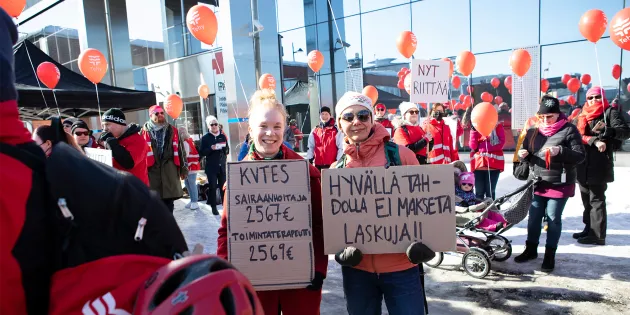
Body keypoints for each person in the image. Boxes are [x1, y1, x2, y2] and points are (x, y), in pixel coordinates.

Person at [217, 90, 328, 315]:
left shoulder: (306, 174)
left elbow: (320, 225)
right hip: (254, 282)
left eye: (277, 126)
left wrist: (317, 268)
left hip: (300, 281)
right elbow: (226, 232)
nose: (270, 133)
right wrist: (226, 273)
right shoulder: (238, 179)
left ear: (284, 129)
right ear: (250, 129)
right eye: (263, 126)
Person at [331, 92, 431, 315]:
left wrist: (429, 240)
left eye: (363, 115)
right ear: (339, 123)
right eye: (348, 117)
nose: (356, 121)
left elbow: (426, 205)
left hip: (402, 268)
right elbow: (332, 219)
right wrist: (337, 246)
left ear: (372, 119)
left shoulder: (402, 156)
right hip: (358, 271)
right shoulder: (336, 170)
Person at [514, 95, 585, 272]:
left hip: (559, 184)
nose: (546, 120)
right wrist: (525, 155)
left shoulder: (570, 130)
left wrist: (561, 151)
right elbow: (531, 157)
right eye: (543, 117)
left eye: (550, 117)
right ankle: (530, 250)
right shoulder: (533, 131)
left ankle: (549, 255)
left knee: (553, 219)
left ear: (558, 114)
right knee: (534, 218)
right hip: (537, 183)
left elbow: (580, 156)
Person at [572, 87, 630, 245]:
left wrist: (608, 130)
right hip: (582, 162)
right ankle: (588, 228)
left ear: (602, 97)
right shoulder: (581, 114)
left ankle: (597, 235)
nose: (593, 100)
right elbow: (575, 134)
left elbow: (625, 132)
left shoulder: (610, 112)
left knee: (596, 199)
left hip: (599, 162)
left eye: (597, 97)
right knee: (586, 198)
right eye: (590, 98)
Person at [142, 105, 188, 212]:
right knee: (154, 202)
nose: (160, 115)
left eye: (162, 113)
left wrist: (184, 168)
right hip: (152, 171)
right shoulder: (143, 131)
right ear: (150, 115)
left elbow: (181, 151)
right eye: (157, 113)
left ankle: (169, 226)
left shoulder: (173, 130)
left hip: (169, 170)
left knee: (168, 202)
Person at [99, 108, 150, 185]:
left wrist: (112, 144)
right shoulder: (116, 139)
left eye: (107, 124)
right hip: (119, 189)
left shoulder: (137, 140)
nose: (105, 129)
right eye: (103, 125)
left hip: (136, 191)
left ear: (120, 123)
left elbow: (129, 163)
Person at [199, 115, 229, 215]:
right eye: (212, 125)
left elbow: (227, 150)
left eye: (216, 124)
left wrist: (224, 148)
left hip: (222, 166)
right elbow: (202, 152)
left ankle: (225, 207)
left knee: (223, 187)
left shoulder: (222, 136)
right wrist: (211, 148)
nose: (214, 126)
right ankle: (213, 207)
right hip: (211, 167)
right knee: (212, 187)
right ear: (209, 126)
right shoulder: (205, 138)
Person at [469, 122, 506, 200]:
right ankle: (479, 211)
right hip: (478, 166)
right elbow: (473, 146)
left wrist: (482, 145)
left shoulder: (498, 126)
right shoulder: (476, 127)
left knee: (491, 192)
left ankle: (491, 211)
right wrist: (473, 132)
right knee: (479, 192)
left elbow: (500, 144)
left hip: (493, 166)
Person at [307, 106, 344, 170]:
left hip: (332, 164)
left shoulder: (336, 130)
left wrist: (338, 161)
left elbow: (341, 147)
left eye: (326, 114)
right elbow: (311, 146)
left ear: (330, 115)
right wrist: (309, 159)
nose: (324, 116)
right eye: (322, 114)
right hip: (318, 164)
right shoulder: (315, 130)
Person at [179, 127, 201, 210]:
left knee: (191, 184)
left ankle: (195, 201)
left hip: (191, 166)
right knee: (188, 183)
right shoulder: (189, 141)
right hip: (191, 166)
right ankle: (192, 200)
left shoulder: (185, 142)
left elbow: (186, 155)